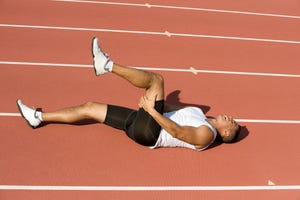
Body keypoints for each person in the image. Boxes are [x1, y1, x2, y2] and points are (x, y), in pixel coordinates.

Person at [17, 37, 240, 151]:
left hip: (150, 134)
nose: (230, 117)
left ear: (227, 132)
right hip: (143, 120)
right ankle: (38, 118)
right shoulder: (200, 114)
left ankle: (107, 65)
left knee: (157, 80)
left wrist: (151, 110)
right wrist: (153, 106)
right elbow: (170, 110)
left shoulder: (207, 135)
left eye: (233, 123)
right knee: (90, 107)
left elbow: (177, 131)